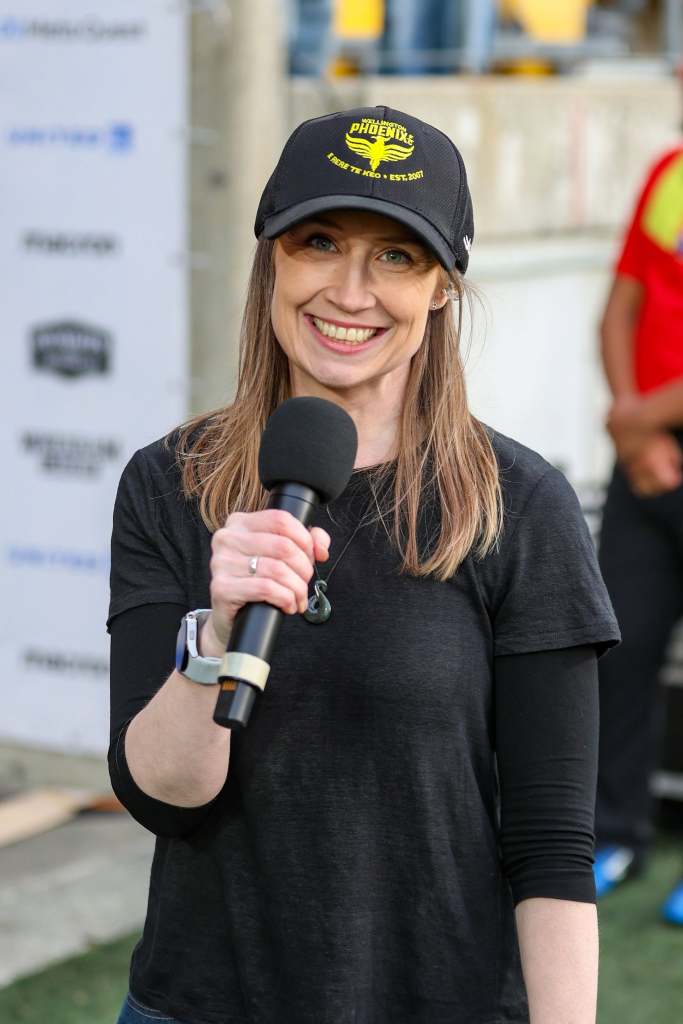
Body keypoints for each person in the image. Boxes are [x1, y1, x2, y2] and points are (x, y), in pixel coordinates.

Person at [109, 105, 619, 1024]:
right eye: (319, 241)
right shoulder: (168, 484)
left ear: (441, 291)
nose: (349, 291)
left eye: (396, 256)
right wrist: (217, 635)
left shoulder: (520, 504)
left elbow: (549, 847)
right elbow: (165, 800)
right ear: (272, 259)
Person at [594, 139, 683, 923]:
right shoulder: (667, 169)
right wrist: (634, 436)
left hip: (643, 428)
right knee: (617, 650)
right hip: (643, 454)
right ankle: (613, 833)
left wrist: (634, 419)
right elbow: (618, 306)